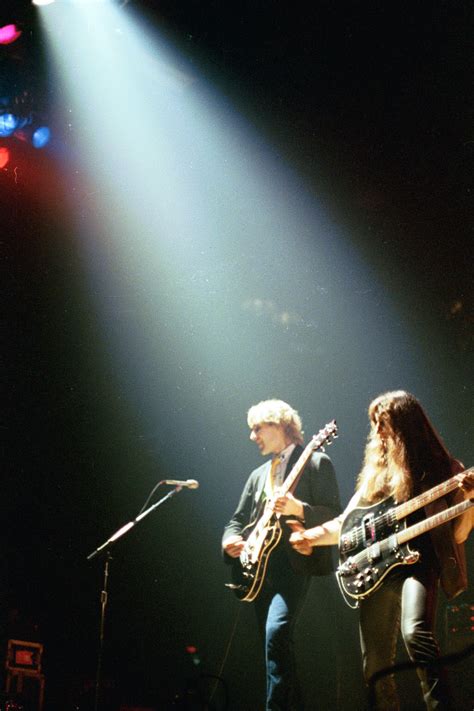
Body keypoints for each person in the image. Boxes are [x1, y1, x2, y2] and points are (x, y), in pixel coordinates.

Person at [289, 390, 473, 711]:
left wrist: (470, 505)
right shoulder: (374, 477)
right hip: (378, 568)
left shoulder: (444, 469)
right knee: (374, 664)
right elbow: (348, 526)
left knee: (416, 633)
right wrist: (310, 537)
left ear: (405, 425)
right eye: (374, 424)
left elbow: (458, 533)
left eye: (383, 423)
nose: (377, 432)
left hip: (419, 562)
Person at [222, 399, 341, 711]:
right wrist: (231, 540)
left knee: (276, 635)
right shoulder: (258, 474)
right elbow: (236, 520)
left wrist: (299, 509)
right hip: (259, 570)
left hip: (294, 565)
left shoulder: (316, 462)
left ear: (280, 426)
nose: (253, 436)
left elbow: (337, 515)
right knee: (275, 647)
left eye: (258, 429)